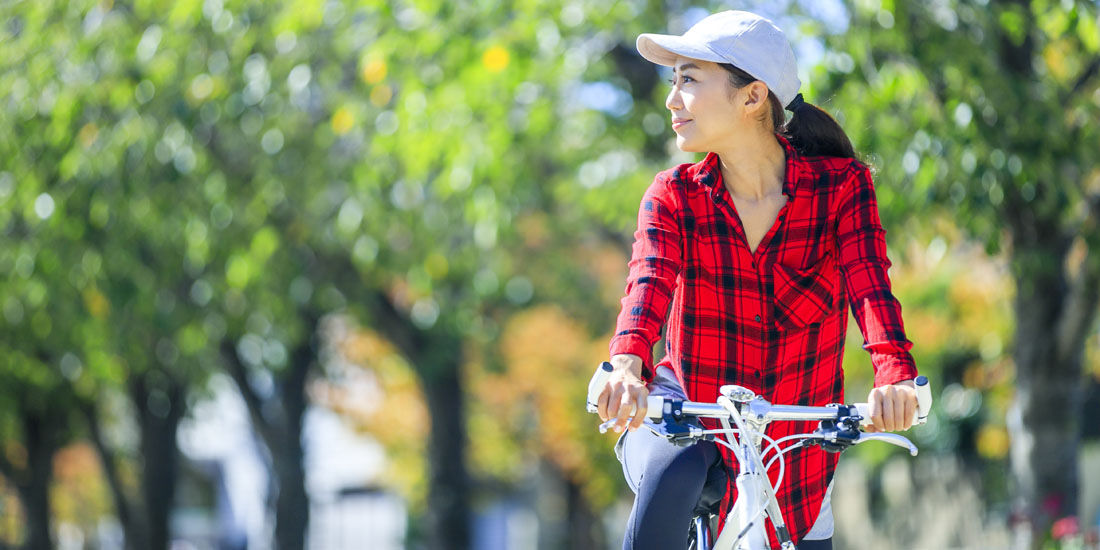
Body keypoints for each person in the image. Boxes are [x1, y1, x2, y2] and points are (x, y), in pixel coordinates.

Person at [594, 10, 921, 550]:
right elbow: (646, 286)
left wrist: (895, 377)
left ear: (752, 98)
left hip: (796, 441)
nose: (673, 100)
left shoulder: (842, 190)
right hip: (687, 415)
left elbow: (871, 288)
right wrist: (626, 366)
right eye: (674, 82)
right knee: (676, 469)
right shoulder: (674, 195)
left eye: (690, 80)